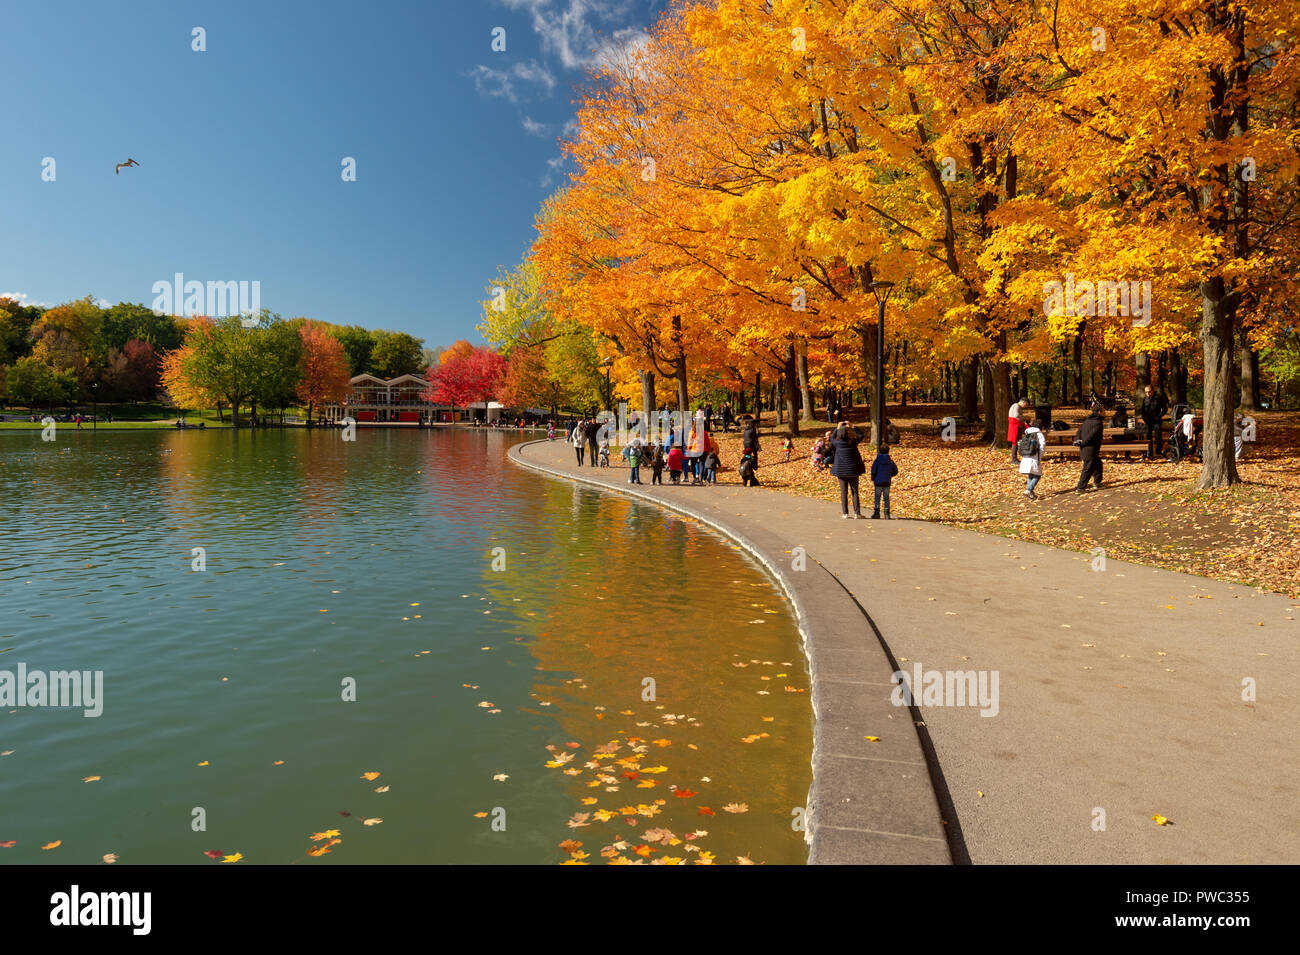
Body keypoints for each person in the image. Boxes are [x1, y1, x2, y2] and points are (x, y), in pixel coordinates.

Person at [829, 422, 865, 519]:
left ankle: (845, 513)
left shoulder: (837, 443)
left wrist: (837, 428)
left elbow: (831, 438)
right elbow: (861, 435)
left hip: (841, 472)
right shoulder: (852, 442)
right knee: (855, 492)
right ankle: (857, 513)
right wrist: (853, 426)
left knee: (843, 492)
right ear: (848, 434)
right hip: (853, 471)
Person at [1075, 402, 1105, 492]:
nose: (1105, 413)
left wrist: (1078, 440)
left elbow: (1079, 432)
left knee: (1098, 464)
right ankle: (1080, 488)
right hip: (1090, 449)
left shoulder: (1087, 420)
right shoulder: (1098, 422)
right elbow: (1092, 435)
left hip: (1087, 448)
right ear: (1099, 412)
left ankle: (1097, 482)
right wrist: (1082, 442)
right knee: (1088, 468)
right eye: (1103, 411)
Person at [1018, 418, 1047, 499]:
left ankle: (1030, 493)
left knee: (1031, 474)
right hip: (1034, 456)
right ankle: (1028, 490)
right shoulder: (1039, 434)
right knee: (1038, 474)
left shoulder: (1027, 432)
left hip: (1026, 455)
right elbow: (1042, 446)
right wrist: (1040, 455)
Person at [870, 444, 899, 518]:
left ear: (879, 451)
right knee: (886, 497)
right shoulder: (890, 461)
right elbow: (895, 470)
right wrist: (890, 475)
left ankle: (877, 513)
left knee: (877, 497)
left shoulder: (877, 461)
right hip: (887, 481)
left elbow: (873, 470)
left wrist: (873, 478)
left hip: (878, 481)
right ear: (888, 451)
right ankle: (887, 513)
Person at [1140, 384, 1168, 458]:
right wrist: (1144, 418)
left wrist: (1158, 416)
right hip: (1148, 421)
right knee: (1148, 437)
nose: (1148, 394)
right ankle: (1149, 452)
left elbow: (1165, 409)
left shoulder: (1158, 398)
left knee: (1158, 437)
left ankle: (1158, 452)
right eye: (1146, 392)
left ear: (1152, 391)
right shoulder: (1145, 399)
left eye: (1149, 392)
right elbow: (1142, 411)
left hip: (1156, 421)